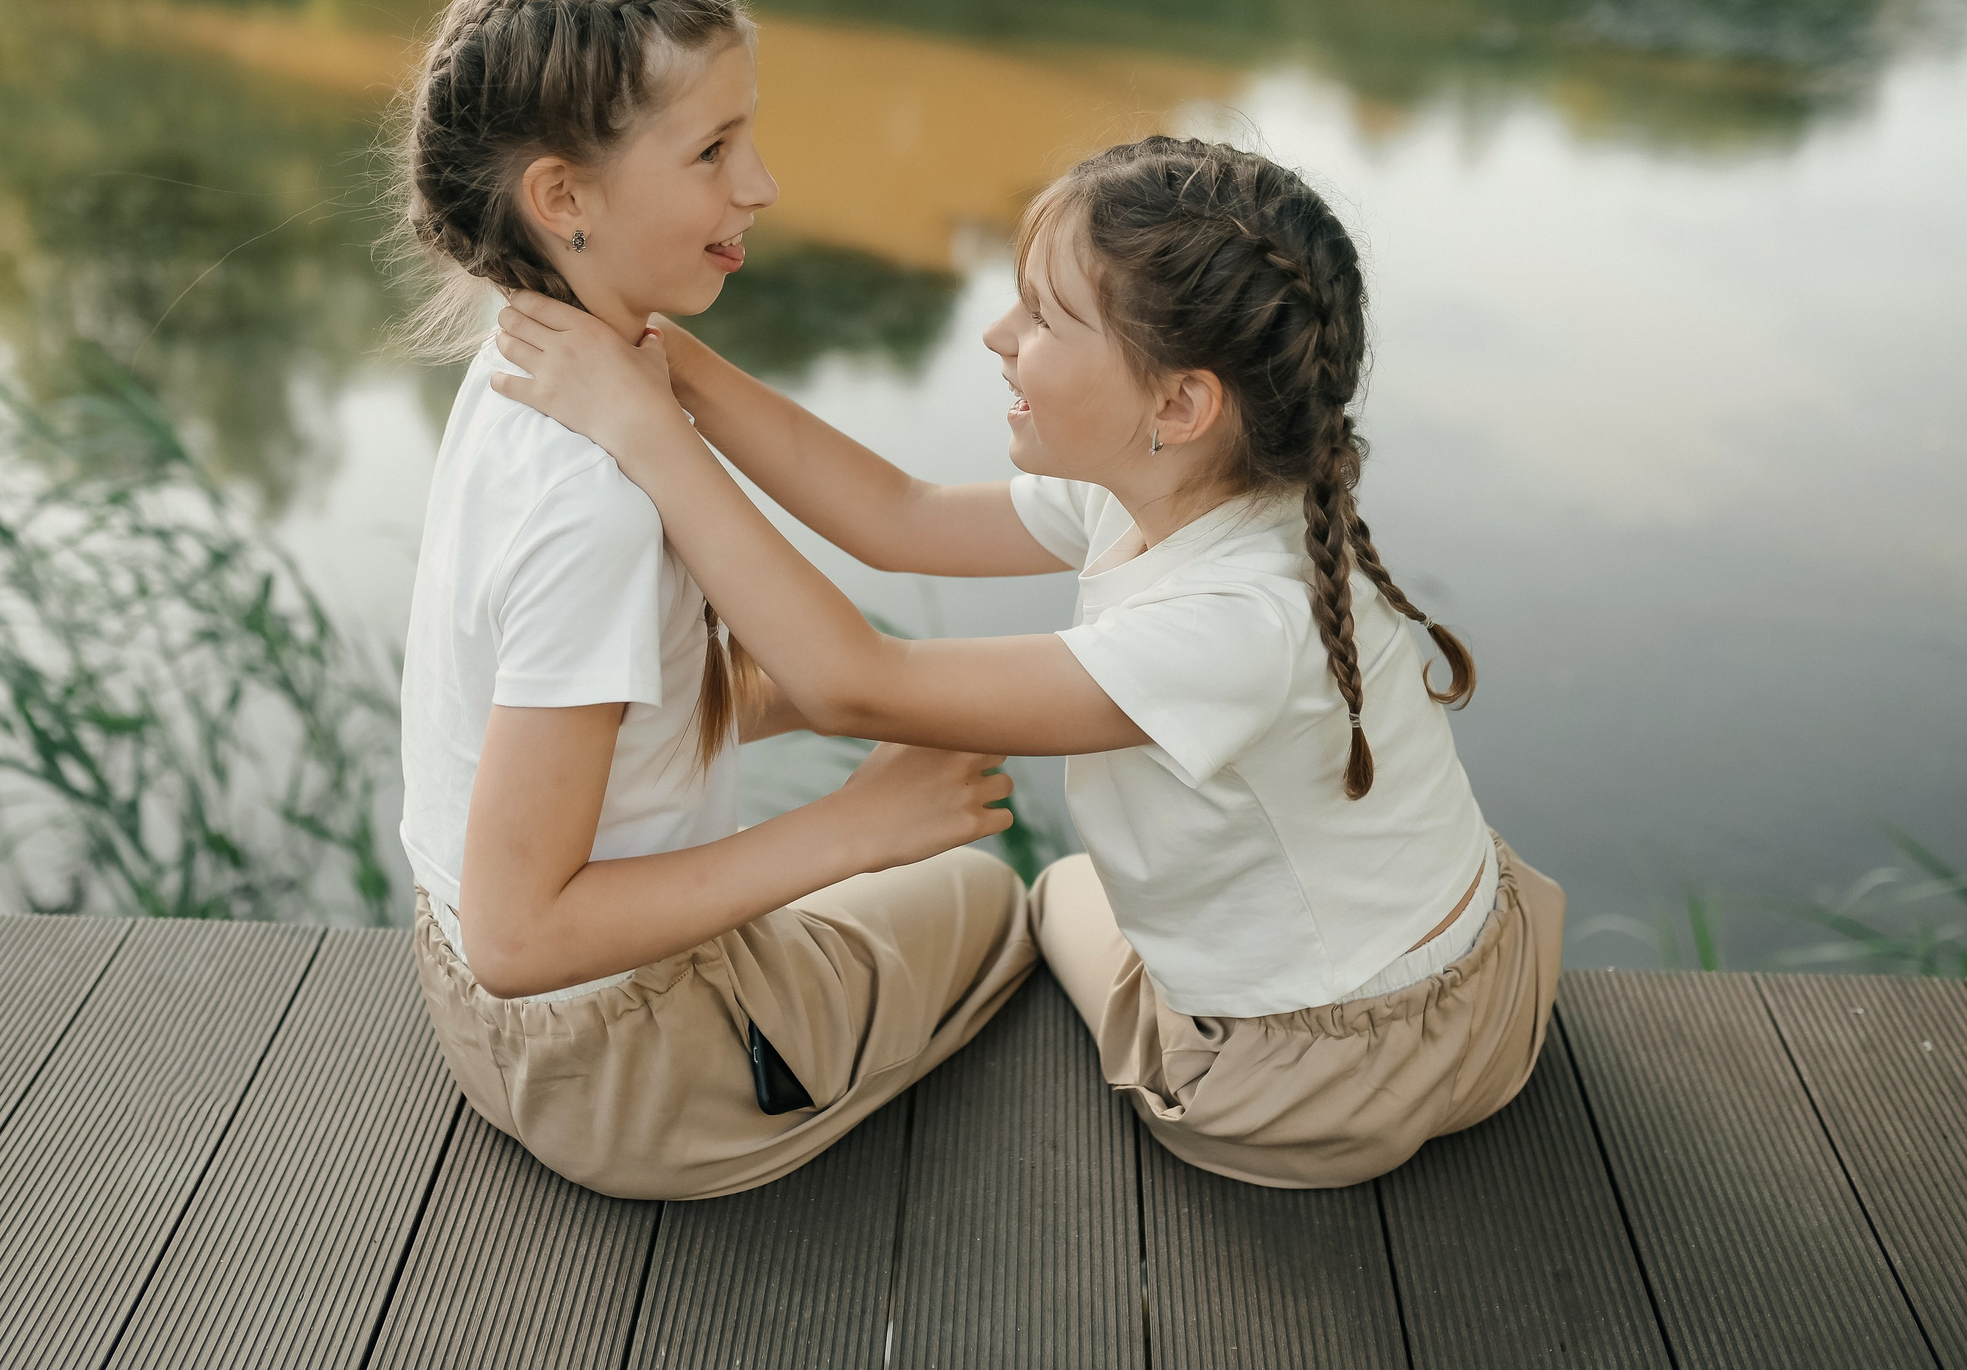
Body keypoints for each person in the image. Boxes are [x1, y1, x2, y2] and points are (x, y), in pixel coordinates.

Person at [491, 134, 1566, 1188]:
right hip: (1479, 956)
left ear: (1179, 403)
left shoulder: (1240, 625)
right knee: (1066, 888)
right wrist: (668, 360)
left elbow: (857, 680)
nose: (1000, 334)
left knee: (1051, 897)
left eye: (1045, 316)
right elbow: (896, 515)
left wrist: (646, 432)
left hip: (1318, 1078)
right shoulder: (1176, 484)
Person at [390, 0, 1036, 1201]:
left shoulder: (526, 365)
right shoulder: (596, 499)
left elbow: (598, 720)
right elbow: (524, 932)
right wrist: (851, 826)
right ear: (563, 198)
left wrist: (858, 697)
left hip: (476, 1014)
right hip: (633, 1070)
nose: (763, 187)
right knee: (989, 900)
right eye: (712, 151)